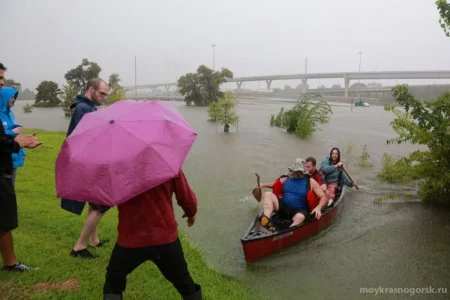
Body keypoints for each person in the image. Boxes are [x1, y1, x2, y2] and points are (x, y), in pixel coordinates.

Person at [103, 170, 202, 300]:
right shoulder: (168, 166)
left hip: (130, 239)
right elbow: (187, 198)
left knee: (114, 280)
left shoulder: (118, 169)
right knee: (183, 280)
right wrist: (191, 213)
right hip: (165, 238)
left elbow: (106, 197)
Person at [60, 78, 110, 259]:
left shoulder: (86, 107)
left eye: (106, 94)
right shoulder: (83, 109)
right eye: (102, 93)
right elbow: (82, 139)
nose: (104, 97)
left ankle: (94, 239)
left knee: (94, 201)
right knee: (102, 203)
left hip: (89, 162)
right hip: (87, 164)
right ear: (91, 89)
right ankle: (79, 246)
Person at [0, 62, 43, 271]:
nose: (1, 83)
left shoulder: (7, 114)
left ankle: (10, 263)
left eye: (2, 79)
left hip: (5, 168)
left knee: (4, 220)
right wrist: (16, 142)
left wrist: (22, 143)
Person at [258, 158, 327, 232]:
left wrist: (318, 208)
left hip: (299, 211)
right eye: (295, 171)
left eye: (299, 171)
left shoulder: (311, 182)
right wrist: (263, 185)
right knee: (268, 194)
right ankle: (266, 220)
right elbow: (274, 184)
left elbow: (323, 197)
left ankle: (285, 233)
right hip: (284, 207)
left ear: (303, 172)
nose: (296, 173)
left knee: (300, 217)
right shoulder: (286, 178)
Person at [0, 87, 26, 185]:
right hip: (4, 158)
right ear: (4, 97)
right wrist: (12, 131)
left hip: (14, 155)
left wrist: (22, 152)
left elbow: (17, 136)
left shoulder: (10, 113)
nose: (13, 99)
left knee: (11, 187)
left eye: (14, 97)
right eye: (11, 97)